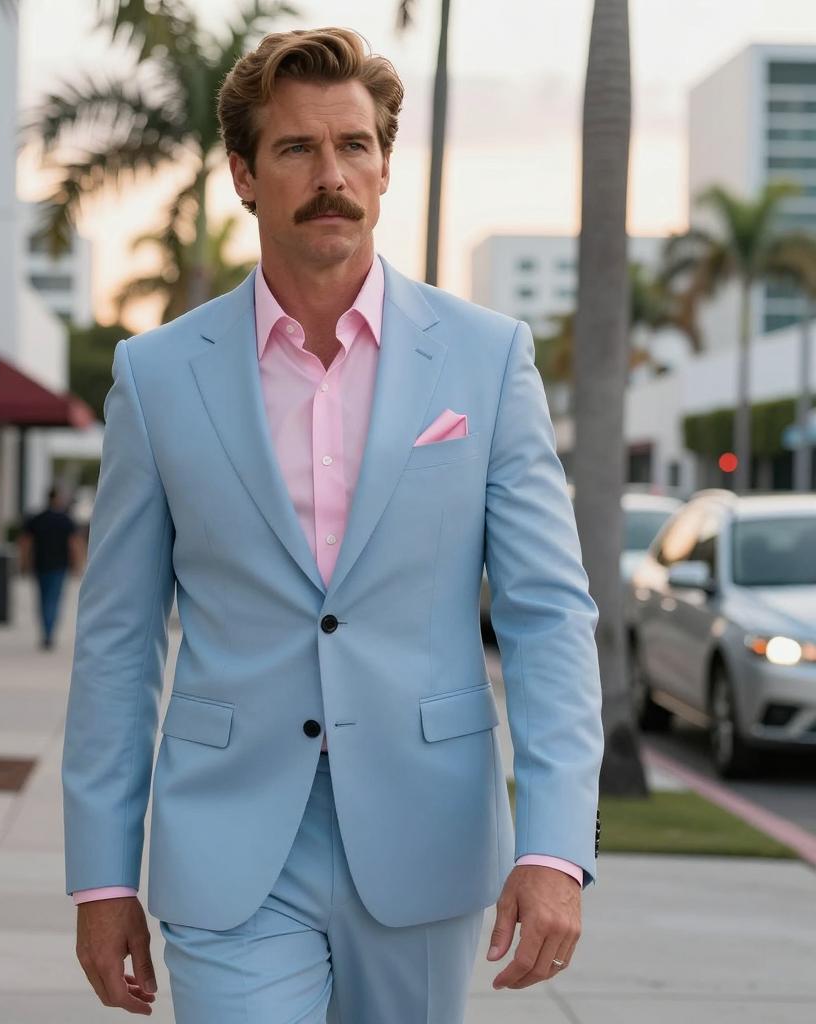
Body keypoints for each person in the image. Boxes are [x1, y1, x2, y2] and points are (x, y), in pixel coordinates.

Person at [62, 26, 604, 1023]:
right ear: (243, 174)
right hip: (228, 840)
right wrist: (100, 876)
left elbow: (546, 615)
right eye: (297, 149)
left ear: (386, 166)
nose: (331, 175)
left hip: (424, 830)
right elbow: (116, 638)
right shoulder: (157, 374)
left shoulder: (486, 361)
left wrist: (555, 843)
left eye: (354, 146)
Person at [18, 485, 84, 650]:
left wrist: (24, 563)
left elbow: (25, 543)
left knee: (42, 600)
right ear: (58, 498)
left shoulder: (36, 518)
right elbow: (74, 544)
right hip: (59, 566)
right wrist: (77, 564)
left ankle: (46, 633)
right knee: (53, 600)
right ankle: (49, 633)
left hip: (41, 565)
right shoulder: (65, 520)